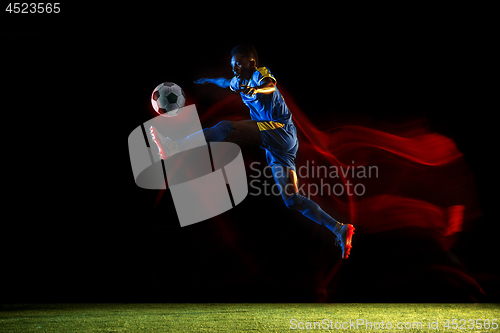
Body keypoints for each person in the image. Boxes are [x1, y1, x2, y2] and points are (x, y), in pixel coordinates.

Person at [150, 44, 354, 258]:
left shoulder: (259, 74)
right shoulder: (238, 81)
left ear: (252, 63)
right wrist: (210, 81)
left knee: (227, 128)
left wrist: (256, 90)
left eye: (238, 63)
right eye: (232, 64)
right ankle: (339, 228)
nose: (234, 68)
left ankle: (176, 146)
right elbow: (226, 82)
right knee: (292, 199)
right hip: (279, 145)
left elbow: (270, 87)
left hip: (280, 129)